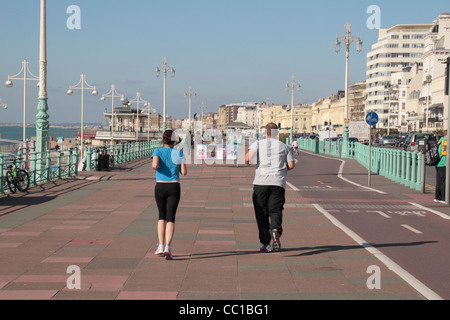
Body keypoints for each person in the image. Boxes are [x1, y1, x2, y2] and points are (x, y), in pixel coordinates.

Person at [245, 123, 295, 252]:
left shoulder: (258, 144)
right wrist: (283, 168)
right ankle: (275, 229)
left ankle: (266, 244)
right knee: (276, 210)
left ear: (265, 132)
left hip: (260, 183)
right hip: (278, 183)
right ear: (276, 133)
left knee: (261, 213)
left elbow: (247, 159)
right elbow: (291, 165)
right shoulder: (284, 146)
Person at [151, 130, 187, 260]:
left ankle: (160, 246)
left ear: (163, 140)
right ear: (174, 141)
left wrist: (161, 166)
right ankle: (168, 247)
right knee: (171, 217)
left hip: (160, 185)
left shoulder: (157, 151)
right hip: (174, 186)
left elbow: (154, 165)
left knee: (162, 216)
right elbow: (184, 172)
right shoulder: (179, 153)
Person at [435, 130, 447, 204]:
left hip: (438, 164)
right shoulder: (445, 142)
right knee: (444, 182)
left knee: (439, 181)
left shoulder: (440, 141)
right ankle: (443, 198)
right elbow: (445, 154)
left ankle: (437, 197)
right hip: (444, 163)